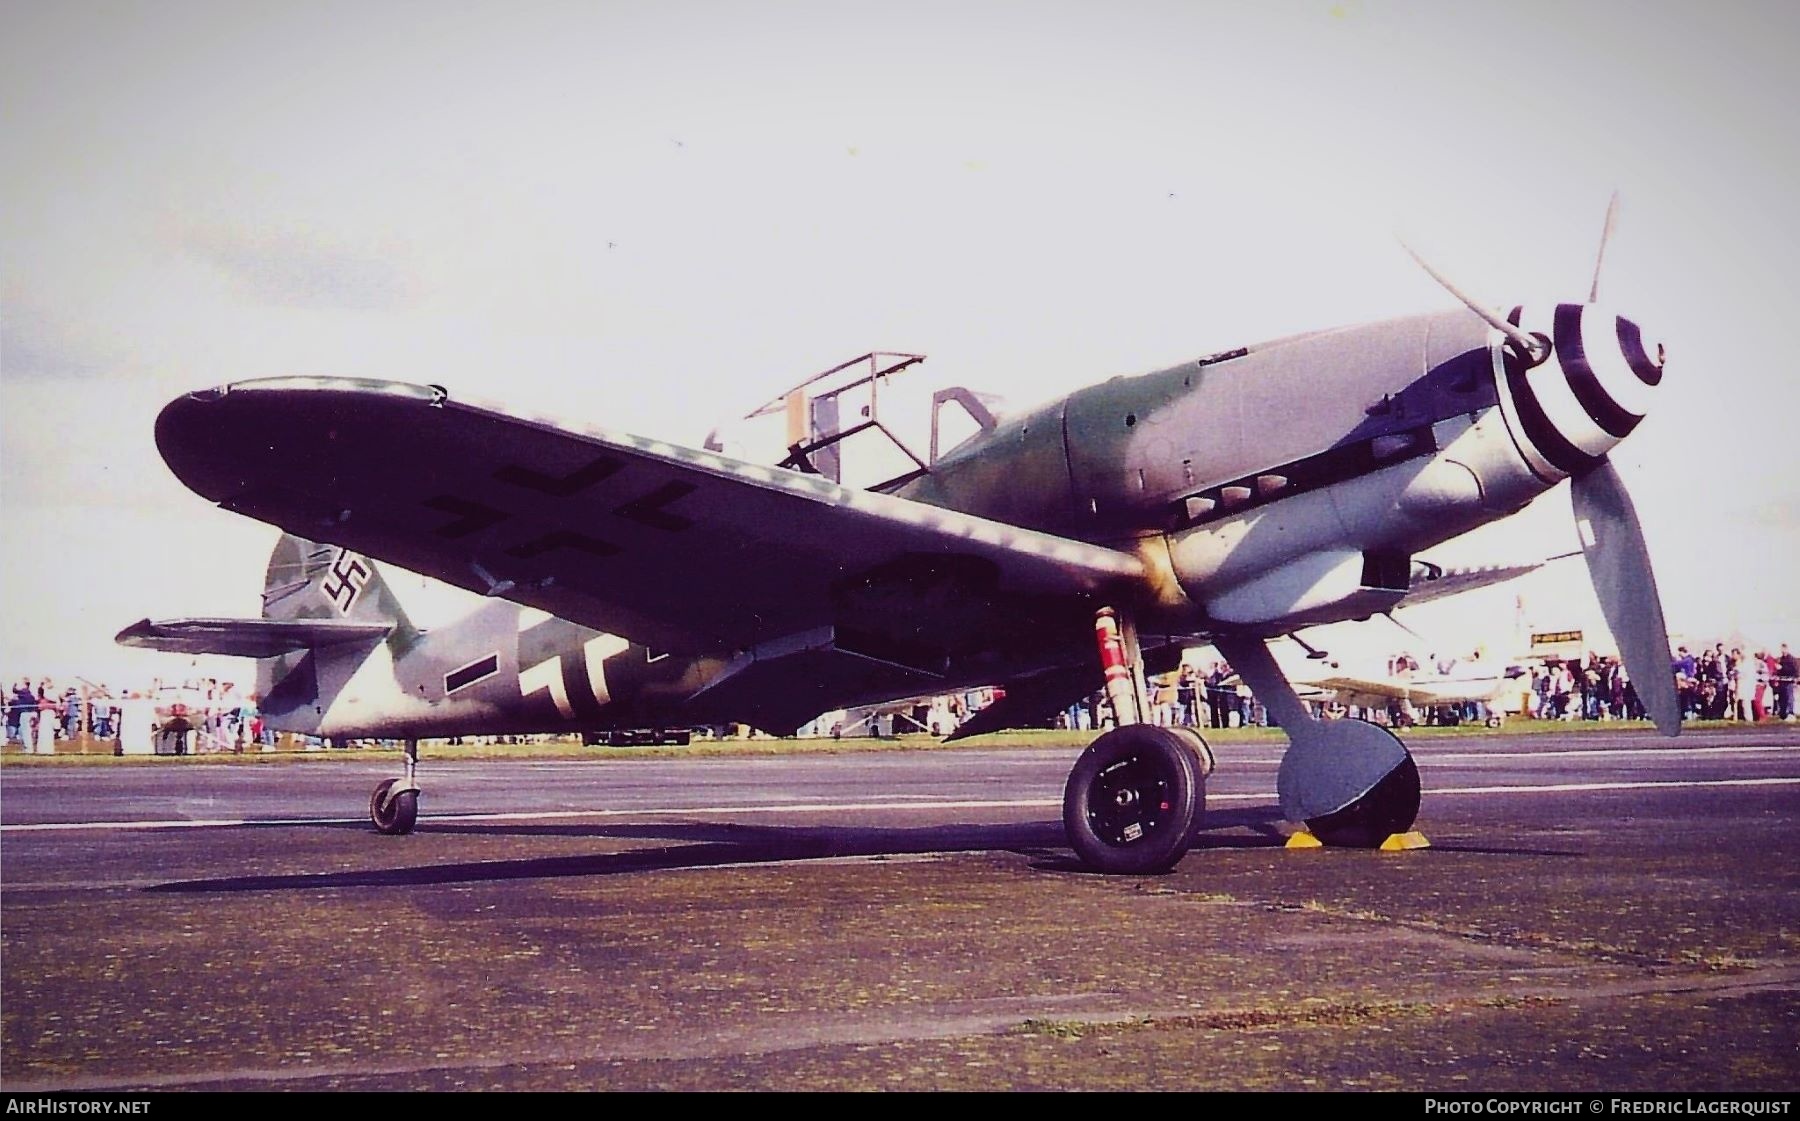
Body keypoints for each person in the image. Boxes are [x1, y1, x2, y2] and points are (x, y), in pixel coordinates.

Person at [1777, 644, 1798, 721]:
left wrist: (1782, 668)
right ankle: (1783, 715)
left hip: (1789, 681)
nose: (1782, 651)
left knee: (1789, 698)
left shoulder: (1791, 659)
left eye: (1783, 649)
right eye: (1781, 649)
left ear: (1786, 649)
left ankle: (1791, 713)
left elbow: (1794, 671)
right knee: (1782, 698)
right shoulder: (1781, 659)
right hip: (1782, 681)